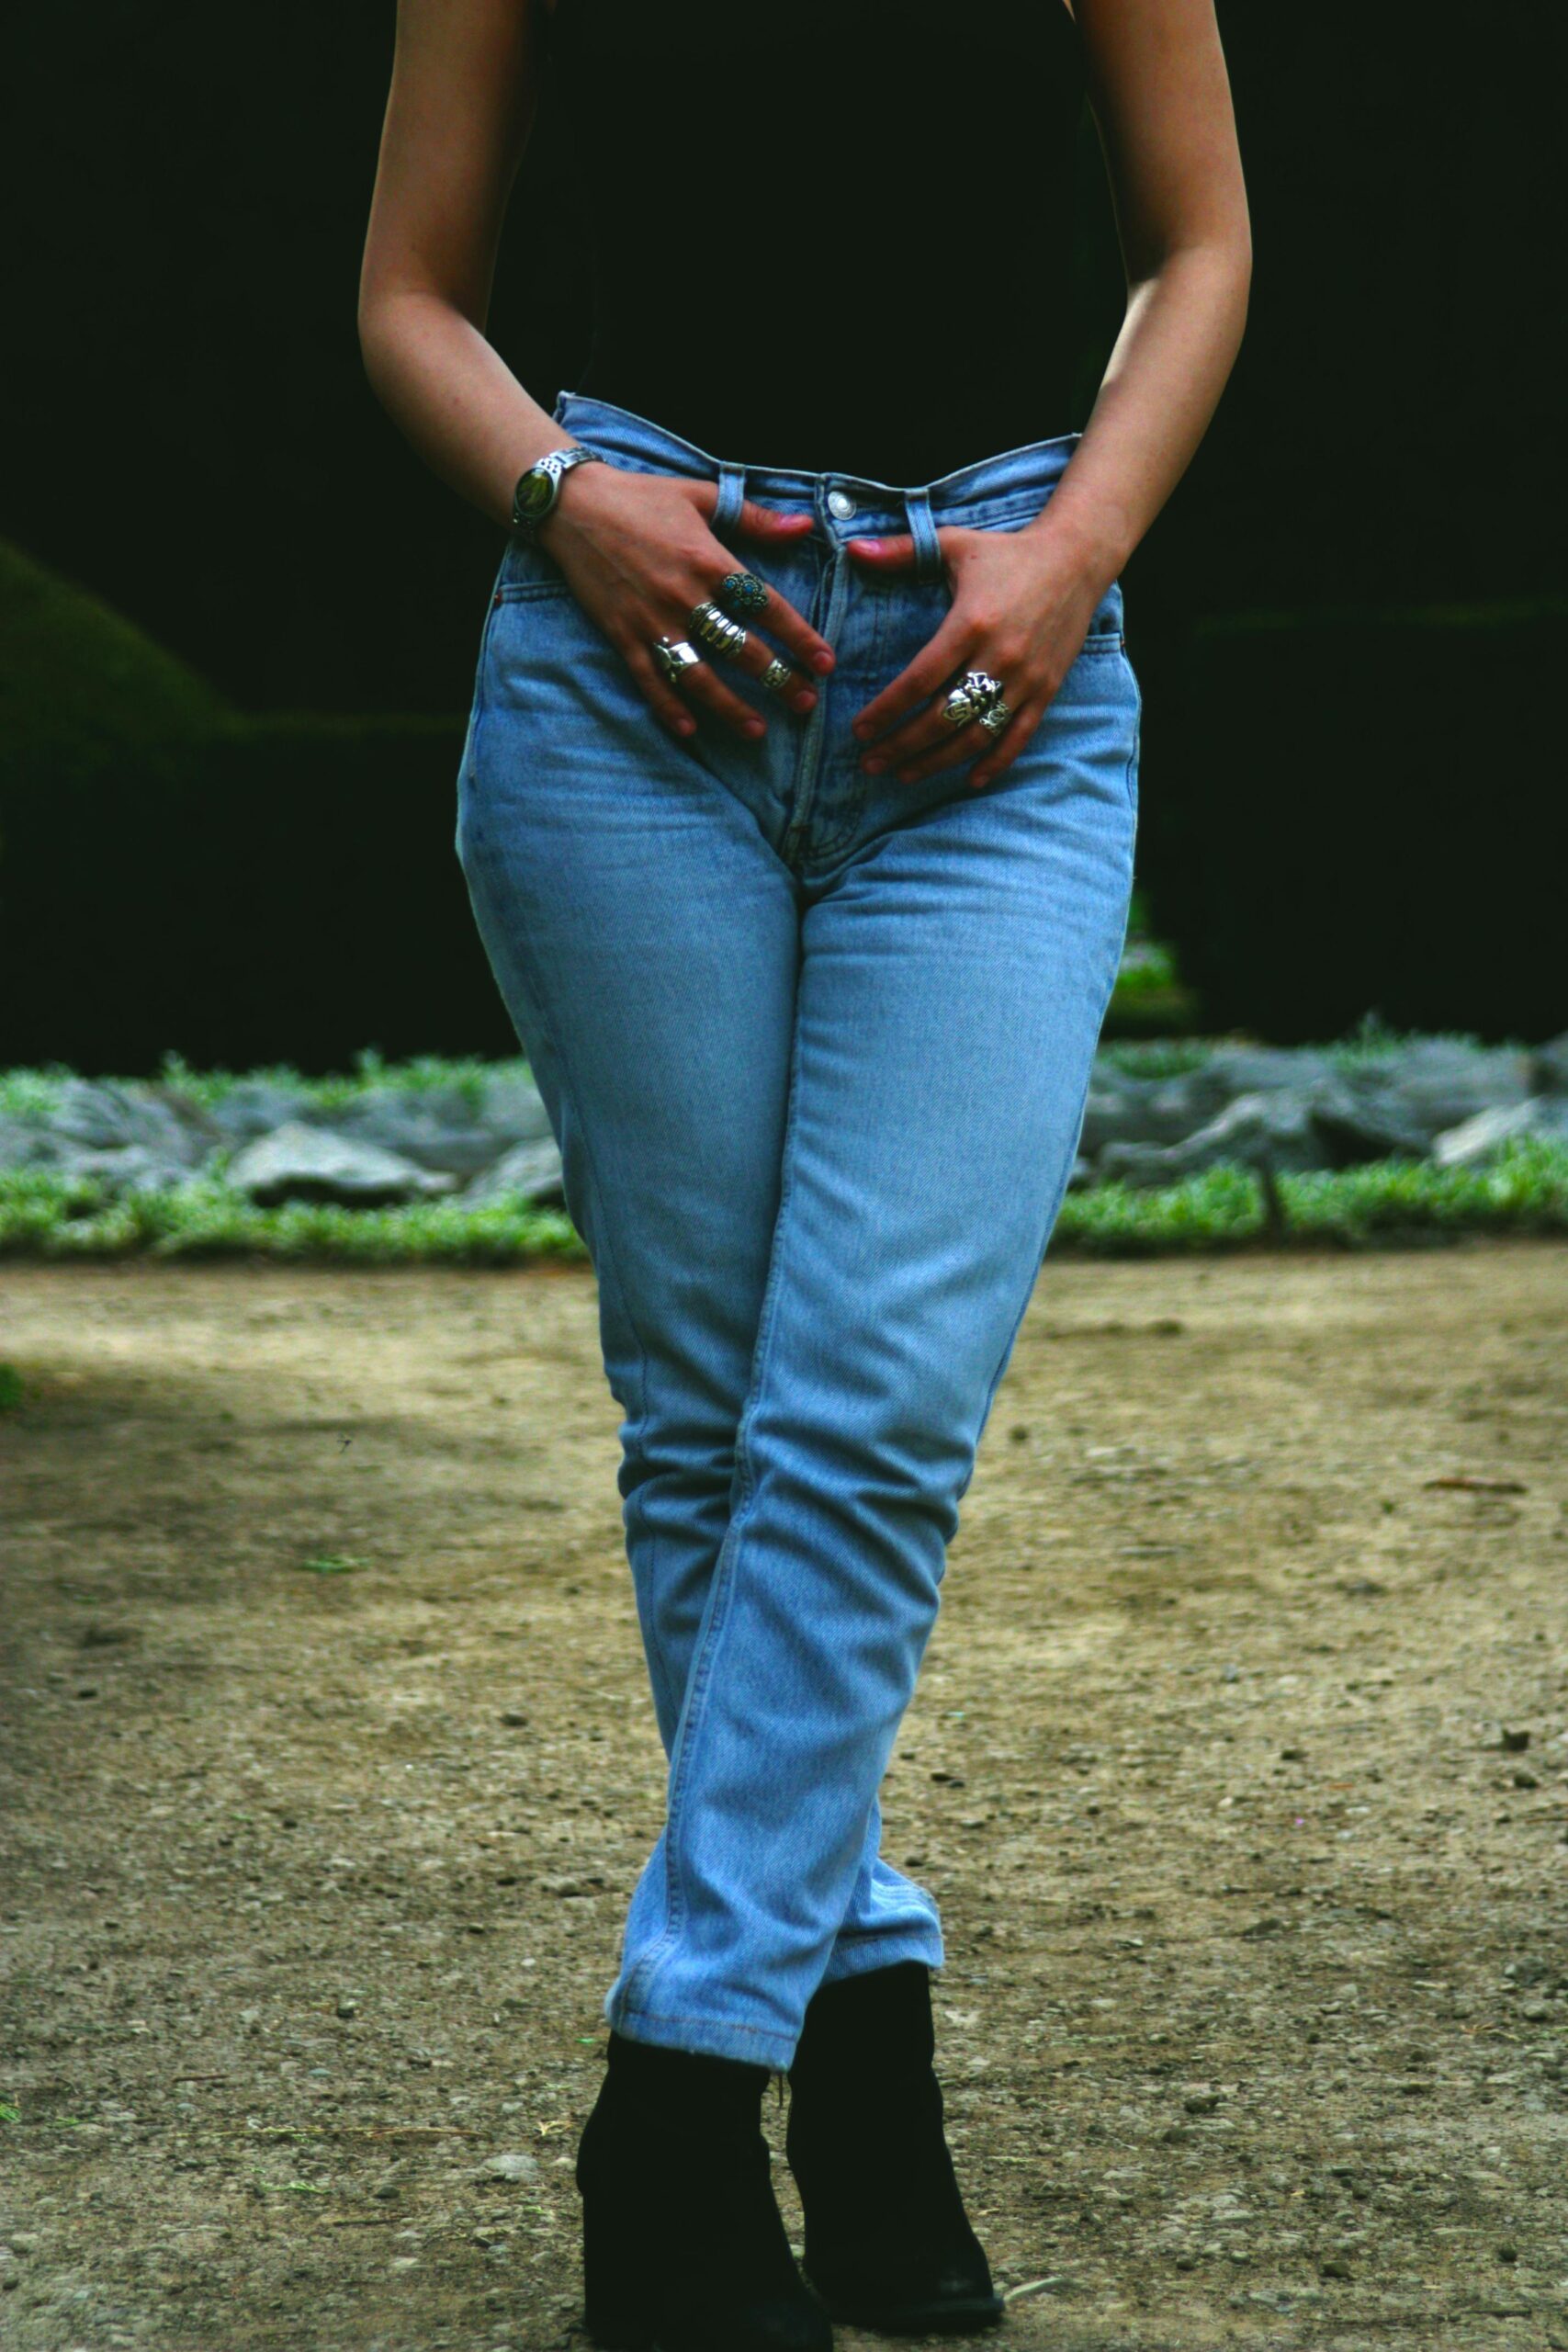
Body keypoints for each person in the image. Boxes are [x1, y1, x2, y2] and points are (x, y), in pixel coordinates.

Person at [359, 2, 1249, 2342]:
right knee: (712, 1422)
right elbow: (404, 292)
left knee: (858, 1414)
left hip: (997, 675)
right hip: (627, 660)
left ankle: (674, 2093)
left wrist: (1068, 555)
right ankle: (855, 2047)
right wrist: (569, 498)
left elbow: (1201, 236)